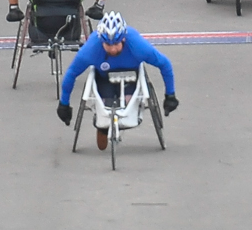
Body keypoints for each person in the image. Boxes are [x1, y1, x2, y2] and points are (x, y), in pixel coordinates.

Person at [57, 11, 179, 151]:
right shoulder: (91, 49)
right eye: (107, 45)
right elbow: (72, 73)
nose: (113, 49)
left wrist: (170, 95)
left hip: (131, 77)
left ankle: (113, 123)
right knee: (105, 108)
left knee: (127, 104)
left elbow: (164, 64)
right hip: (103, 78)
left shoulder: (138, 45)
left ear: (123, 39)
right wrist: (64, 104)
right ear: (101, 41)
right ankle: (103, 128)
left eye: (116, 44)